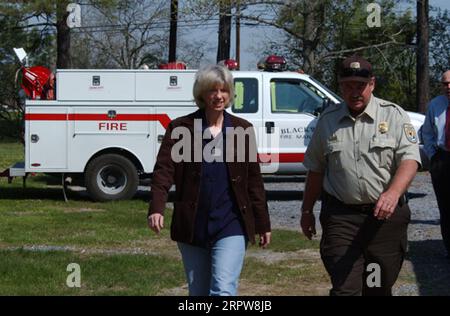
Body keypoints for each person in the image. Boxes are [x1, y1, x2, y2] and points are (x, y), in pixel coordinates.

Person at [300, 55, 421, 296]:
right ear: (340, 85)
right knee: (346, 288)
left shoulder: (393, 116)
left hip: (384, 221)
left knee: (376, 287)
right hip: (341, 218)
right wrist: (306, 211)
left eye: (360, 86)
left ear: (372, 84)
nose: (354, 92)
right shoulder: (327, 121)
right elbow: (315, 169)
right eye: (348, 86)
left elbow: (410, 160)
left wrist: (393, 193)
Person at [147, 64, 271, 296]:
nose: (218, 96)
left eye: (224, 90)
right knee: (199, 292)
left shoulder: (243, 129)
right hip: (193, 223)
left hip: (231, 222)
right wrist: (157, 207)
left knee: (223, 289)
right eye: (212, 90)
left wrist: (263, 223)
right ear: (201, 94)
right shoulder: (180, 128)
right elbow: (163, 171)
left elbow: (253, 181)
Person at [421, 70, 450, 259]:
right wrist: (433, 157)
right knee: (446, 207)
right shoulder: (435, 105)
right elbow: (427, 133)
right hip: (443, 160)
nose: (448, 87)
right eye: (444, 83)